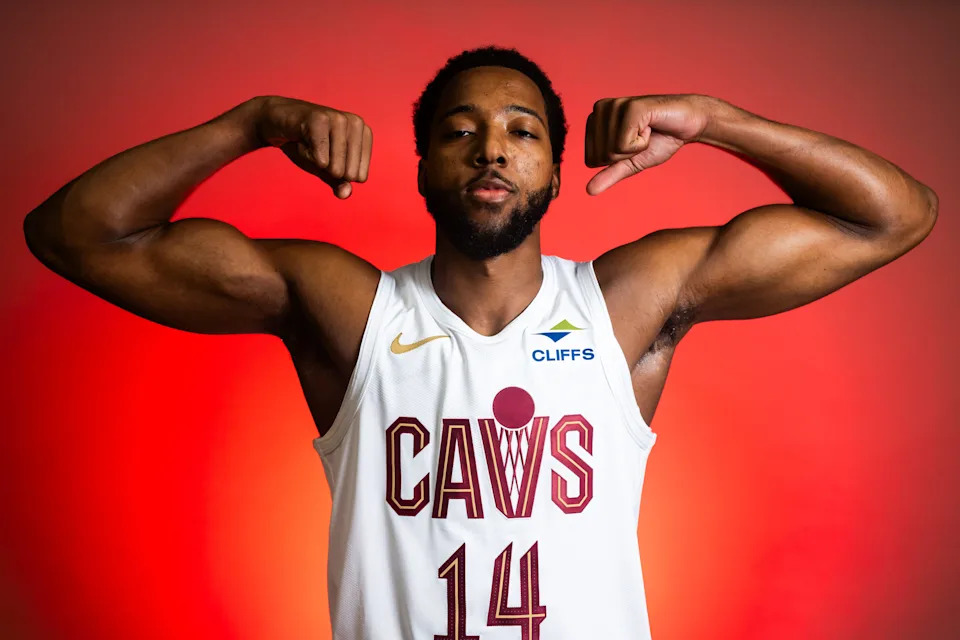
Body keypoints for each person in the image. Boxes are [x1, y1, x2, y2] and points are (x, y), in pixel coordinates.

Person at [22, 45, 937, 640]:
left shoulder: (624, 302)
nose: (490, 150)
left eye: (520, 131)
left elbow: (893, 217)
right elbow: (78, 235)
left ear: (550, 166)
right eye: (459, 132)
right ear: (423, 165)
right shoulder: (352, 313)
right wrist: (250, 123)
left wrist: (717, 119)